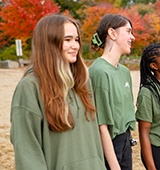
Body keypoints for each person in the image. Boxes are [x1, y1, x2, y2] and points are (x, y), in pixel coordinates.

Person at [10, 15, 106, 170]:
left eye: (76, 39)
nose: (75, 45)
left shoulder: (83, 81)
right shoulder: (30, 87)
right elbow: (27, 152)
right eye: (67, 40)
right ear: (48, 42)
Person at [89, 14, 136, 170]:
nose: (133, 37)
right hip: (108, 146)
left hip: (126, 141)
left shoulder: (124, 71)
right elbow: (102, 126)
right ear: (112, 33)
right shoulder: (99, 71)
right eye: (128, 32)